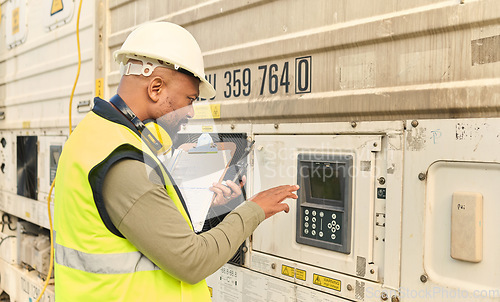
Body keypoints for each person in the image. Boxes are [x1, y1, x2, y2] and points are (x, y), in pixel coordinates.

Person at [54, 21, 299, 301]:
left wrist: (200, 207)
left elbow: (132, 227)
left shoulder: (96, 135)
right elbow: (191, 261)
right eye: (189, 99)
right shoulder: (122, 160)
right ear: (156, 88)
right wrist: (254, 209)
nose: (192, 112)